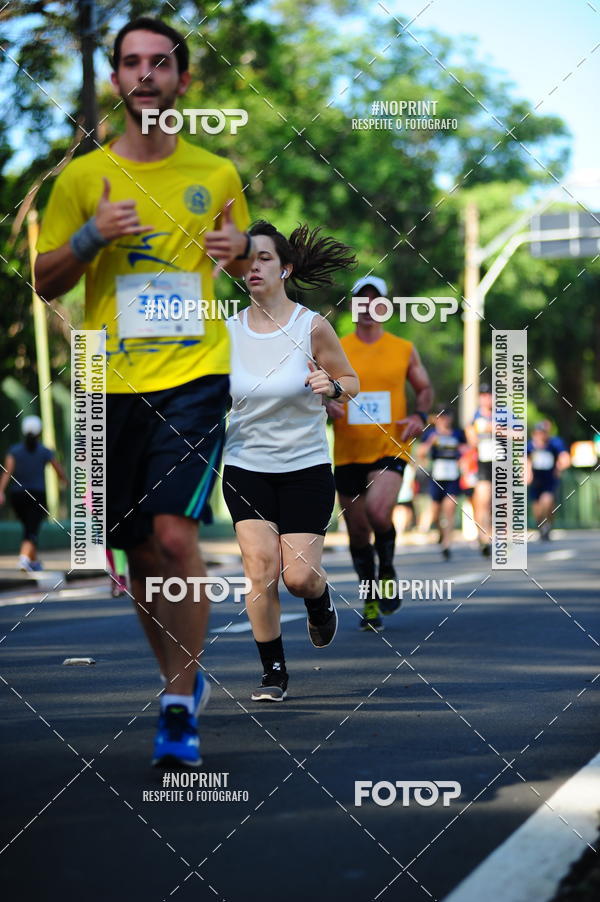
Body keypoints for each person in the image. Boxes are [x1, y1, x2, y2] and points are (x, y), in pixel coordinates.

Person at [35, 18, 256, 767]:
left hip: (195, 374)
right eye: (130, 63)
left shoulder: (217, 174)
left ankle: (175, 706)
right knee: (133, 553)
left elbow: (253, 278)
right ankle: (178, 683)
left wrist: (242, 257)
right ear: (116, 79)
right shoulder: (79, 178)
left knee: (173, 536)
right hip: (108, 377)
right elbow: (44, 280)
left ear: (182, 80)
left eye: (159, 63)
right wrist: (92, 237)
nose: (144, 75)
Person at [222, 220, 359, 701]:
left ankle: (320, 603)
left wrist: (334, 386)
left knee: (297, 576)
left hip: (305, 467)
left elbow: (349, 377)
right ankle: (273, 670)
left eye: (264, 258)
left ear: (286, 268)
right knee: (259, 568)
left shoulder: (310, 325)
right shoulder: (226, 333)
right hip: (245, 466)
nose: (254, 267)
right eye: (247, 260)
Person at [327, 276, 433, 632]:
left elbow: (424, 387)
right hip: (347, 452)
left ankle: (386, 567)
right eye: (362, 301)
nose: (368, 308)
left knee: (376, 511)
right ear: (353, 307)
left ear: (384, 307)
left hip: (390, 447)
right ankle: (370, 598)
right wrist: (327, 405)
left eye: (375, 302)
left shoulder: (402, 348)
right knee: (357, 532)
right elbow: (317, 390)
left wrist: (419, 416)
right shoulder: (336, 347)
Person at [0, 416, 67, 571]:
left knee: (28, 526)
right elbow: (58, 469)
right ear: (39, 432)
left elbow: (7, 472)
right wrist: (65, 481)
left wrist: (1, 491)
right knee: (32, 528)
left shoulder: (14, 451)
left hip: (17, 496)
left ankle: (33, 561)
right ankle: (23, 559)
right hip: (37, 495)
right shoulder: (45, 451)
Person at [418, 406, 466, 560]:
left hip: (453, 476)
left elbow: (466, 450)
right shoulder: (430, 434)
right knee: (435, 513)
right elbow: (421, 453)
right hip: (437, 476)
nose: (445, 419)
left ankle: (447, 544)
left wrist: (462, 453)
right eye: (441, 417)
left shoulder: (458, 434)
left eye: (447, 416)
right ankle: (440, 532)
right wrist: (431, 442)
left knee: (450, 509)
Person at [527, 421, 570, 540]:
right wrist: (527, 473)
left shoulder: (554, 444)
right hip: (536, 480)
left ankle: (548, 525)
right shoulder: (530, 446)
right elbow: (524, 460)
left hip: (549, 479)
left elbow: (565, 458)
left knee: (547, 501)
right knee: (537, 508)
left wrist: (559, 466)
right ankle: (541, 525)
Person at [466, 383, 494, 557]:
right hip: (483, 464)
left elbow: (518, 434)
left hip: (502, 464)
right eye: (483, 395)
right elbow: (471, 440)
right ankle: (483, 537)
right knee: (482, 501)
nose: (486, 398)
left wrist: (496, 429)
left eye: (489, 394)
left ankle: (497, 538)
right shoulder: (475, 418)